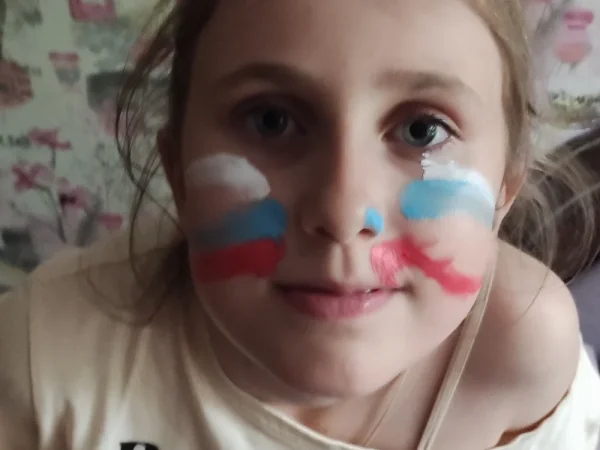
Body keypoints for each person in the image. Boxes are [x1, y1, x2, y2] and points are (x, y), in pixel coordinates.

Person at [1, 0, 600, 448]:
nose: (341, 214)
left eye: (423, 130)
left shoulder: (521, 350)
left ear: (504, 190)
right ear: (177, 171)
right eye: (271, 120)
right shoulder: (42, 352)